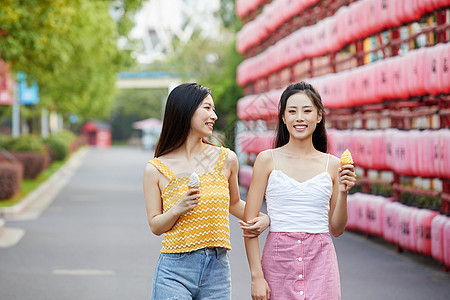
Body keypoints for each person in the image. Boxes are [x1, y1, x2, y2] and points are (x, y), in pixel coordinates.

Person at [143, 83, 270, 300]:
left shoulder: (227, 159)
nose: (215, 115)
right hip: (174, 271)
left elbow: (235, 204)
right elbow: (155, 225)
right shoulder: (155, 169)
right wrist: (177, 209)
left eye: (213, 109)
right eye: (207, 108)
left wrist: (266, 218)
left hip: (217, 271)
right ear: (186, 110)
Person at [241, 82, 356, 300]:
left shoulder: (333, 165)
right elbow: (250, 225)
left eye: (307, 111)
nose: (299, 118)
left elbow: (337, 228)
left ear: (319, 116)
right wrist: (257, 277)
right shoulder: (266, 160)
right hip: (277, 263)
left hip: (321, 263)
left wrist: (343, 192)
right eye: (292, 111)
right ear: (283, 118)